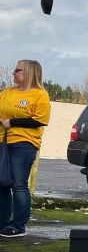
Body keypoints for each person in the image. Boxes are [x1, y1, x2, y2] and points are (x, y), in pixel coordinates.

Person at [0, 60, 51, 238]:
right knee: (2, 183)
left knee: (18, 183)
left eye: (17, 70)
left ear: (29, 73)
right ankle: (3, 223)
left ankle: (18, 225)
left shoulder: (39, 95)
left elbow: (40, 119)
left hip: (24, 143)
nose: (13, 73)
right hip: (3, 142)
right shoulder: (6, 93)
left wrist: (12, 122)